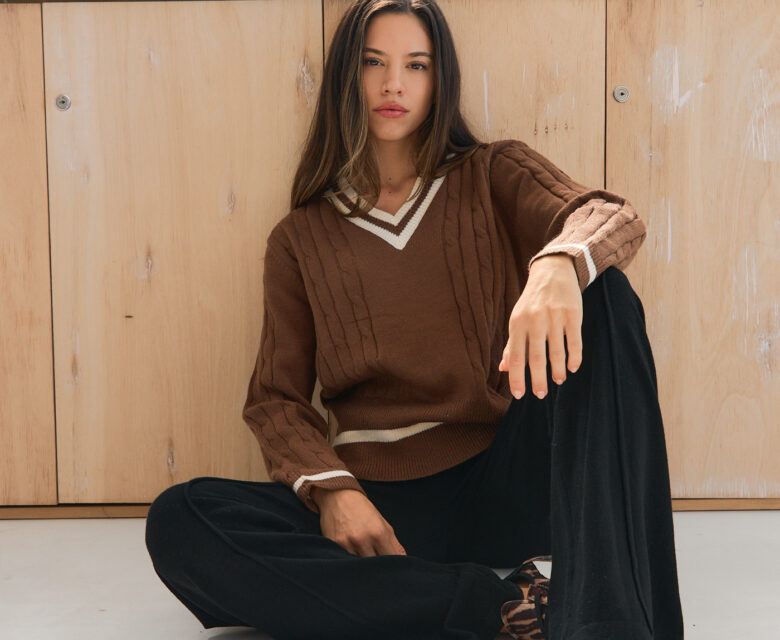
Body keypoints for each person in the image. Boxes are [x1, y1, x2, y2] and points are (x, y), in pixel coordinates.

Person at [144, 1, 685, 639]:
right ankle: (498, 606)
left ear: (439, 80)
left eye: (416, 65)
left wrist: (558, 265)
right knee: (182, 519)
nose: (393, 84)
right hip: (382, 508)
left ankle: (605, 623)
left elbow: (611, 217)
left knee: (605, 294)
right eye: (373, 63)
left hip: (503, 477)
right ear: (347, 78)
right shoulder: (300, 237)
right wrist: (334, 493)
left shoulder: (493, 172)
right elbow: (276, 400)